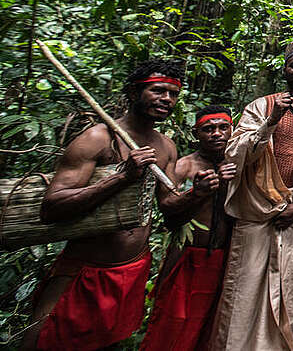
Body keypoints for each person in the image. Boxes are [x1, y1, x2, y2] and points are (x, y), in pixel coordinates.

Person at [24, 60, 213, 351]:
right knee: (46, 341)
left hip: (131, 269)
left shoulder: (166, 147)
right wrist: (122, 177)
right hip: (86, 270)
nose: (167, 99)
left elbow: (169, 211)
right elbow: (52, 208)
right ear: (134, 92)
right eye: (157, 91)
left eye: (173, 94)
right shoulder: (98, 138)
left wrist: (196, 194)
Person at [210, 40, 293, 351]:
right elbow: (235, 154)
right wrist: (271, 121)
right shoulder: (261, 106)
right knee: (245, 294)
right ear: (284, 70)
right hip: (257, 216)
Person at [141, 105, 238, 351]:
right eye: (208, 129)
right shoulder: (184, 166)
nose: (217, 134)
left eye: (223, 127)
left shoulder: (240, 165)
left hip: (225, 259)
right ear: (196, 133)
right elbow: (167, 211)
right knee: (171, 325)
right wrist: (198, 192)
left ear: (233, 129)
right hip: (187, 257)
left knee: (212, 327)